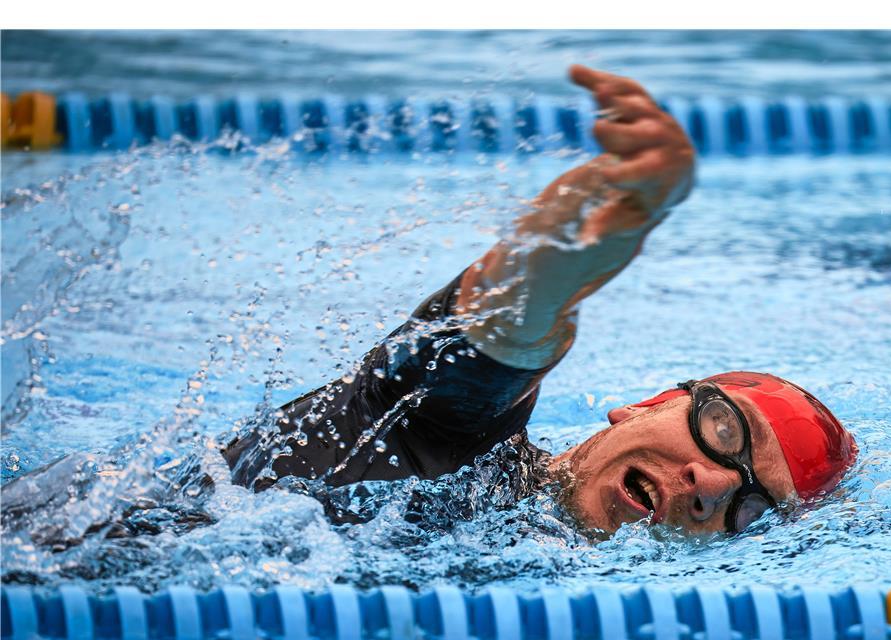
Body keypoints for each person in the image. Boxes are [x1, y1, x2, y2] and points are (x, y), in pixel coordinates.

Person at [221, 64, 858, 536]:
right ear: (640, 409)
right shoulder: (440, 438)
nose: (713, 484)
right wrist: (572, 253)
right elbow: (495, 349)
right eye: (722, 430)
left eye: (752, 507)